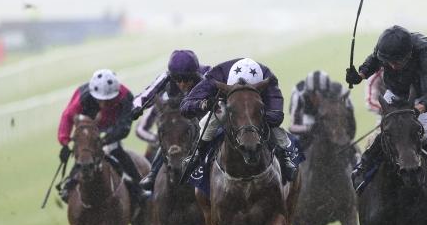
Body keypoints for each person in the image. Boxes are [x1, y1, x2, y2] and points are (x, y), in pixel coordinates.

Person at [346, 25, 427, 195]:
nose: (393, 66)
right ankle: (363, 170)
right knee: (387, 132)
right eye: (390, 62)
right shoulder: (384, 49)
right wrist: (359, 75)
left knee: (423, 133)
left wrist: (417, 110)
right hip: (395, 94)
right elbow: (373, 61)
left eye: (398, 62)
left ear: (409, 54)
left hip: (421, 98)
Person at [180, 57, 298, 182]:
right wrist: (203, 104)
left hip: (256, 105)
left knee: (274, 127)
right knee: (218, 115)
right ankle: (197, 155)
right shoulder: (215, 76)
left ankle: (286, 155)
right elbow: (185, 106)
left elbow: (277, 116)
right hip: (229, 104)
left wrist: (255, 114)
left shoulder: (269, 79)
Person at [56, 69, 148, 202]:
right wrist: (65, 142)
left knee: (115, 150)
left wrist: (105, 140)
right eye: (100, 100)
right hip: (88, 126)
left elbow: (124, 128)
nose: (103, 104)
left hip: (112, 127)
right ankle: (69, 184)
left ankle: (139, 186)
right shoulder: (83, 96)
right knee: (85, 153)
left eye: (108, 100)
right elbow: (67, 116)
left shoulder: (126, 97)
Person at [131, 50, 210, 192]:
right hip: (183, 116)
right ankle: (153, 174)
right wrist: (136, 107)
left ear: (195, 74)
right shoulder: (165, 77)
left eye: (187, 79)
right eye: (178, 79)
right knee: (170, 136)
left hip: (203, 113)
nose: (182, 84)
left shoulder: (207, 75)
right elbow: (145, 95)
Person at [288, 70, 356, 149]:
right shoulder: (298, 95)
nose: (318, 99)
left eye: (322, 95)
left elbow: (350, 121)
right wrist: (310, 128)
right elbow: (292, 127)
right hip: (307, 126)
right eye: (313, 95)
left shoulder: (338, 92)